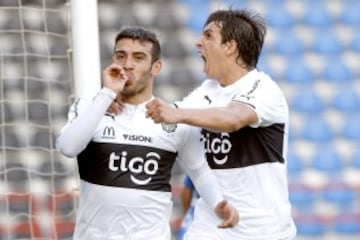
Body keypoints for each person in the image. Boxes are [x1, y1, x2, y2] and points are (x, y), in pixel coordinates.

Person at [56, 26, 238, 240]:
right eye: (121, 56)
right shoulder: (91, 107)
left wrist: (219, 204)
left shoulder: (173, 118)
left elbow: (198, 170)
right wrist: (106, 94)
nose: (127, 65)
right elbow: (68, 148)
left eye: (139, 58)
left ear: (156, 67)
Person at [145, 9, 297, 240]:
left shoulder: (262, 87)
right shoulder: (207, 91)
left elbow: (233, 118)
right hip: (210, 226)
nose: (198, 42)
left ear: (230, 47)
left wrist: (177, 114)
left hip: (264, 230)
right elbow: (169, 118)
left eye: (208, 36)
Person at [177, 175, 200, 240]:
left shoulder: (199, 166)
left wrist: (187, 212)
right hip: (217, 214)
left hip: (193, 214)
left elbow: (186, 193)